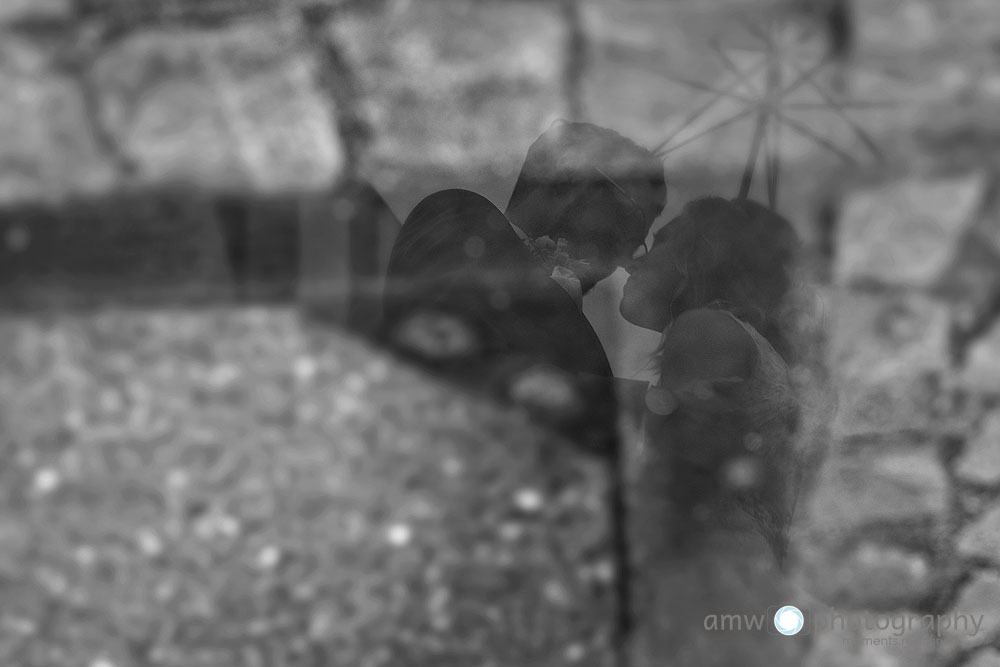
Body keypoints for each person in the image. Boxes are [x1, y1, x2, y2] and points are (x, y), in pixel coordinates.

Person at [380, 121, 667, 663]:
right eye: (636, 220)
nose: (633, 252)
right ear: (578, 190)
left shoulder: (562, 305)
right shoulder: (462, 219)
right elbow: (440, 357)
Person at [620, 196, 812, 666]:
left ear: (694, 258)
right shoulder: (744, 341)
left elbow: (684, 467)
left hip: (704, 575)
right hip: (738, 577)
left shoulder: (707, 330)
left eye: (660, 243)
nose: (636, 259)